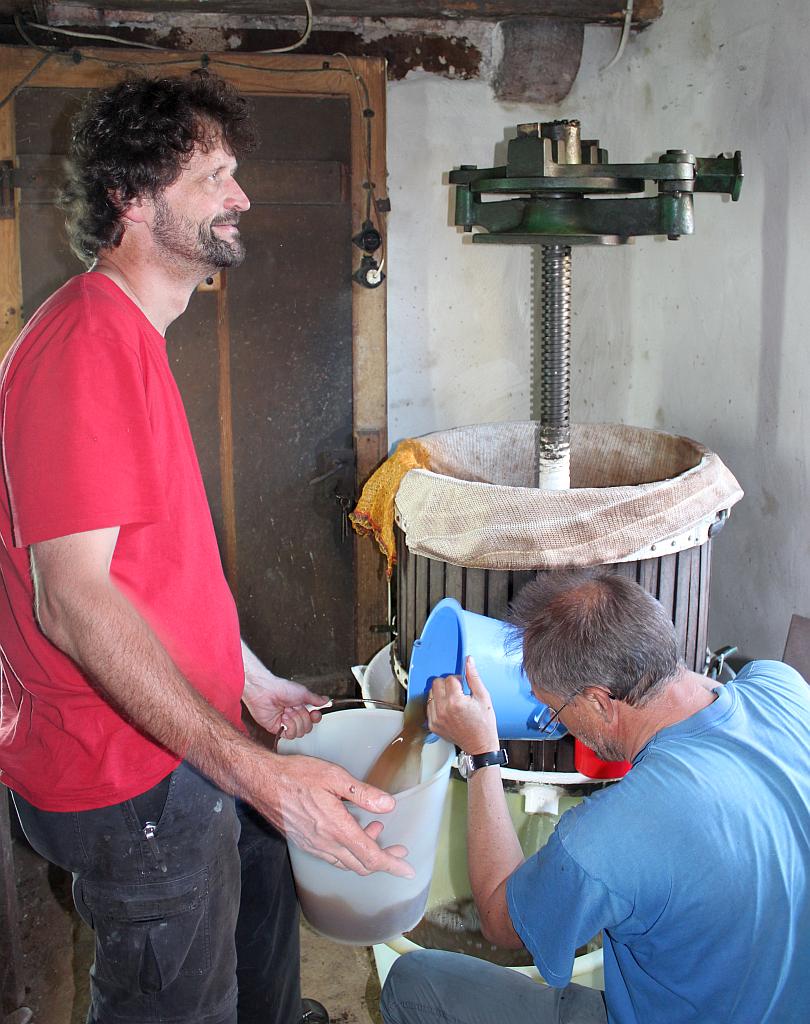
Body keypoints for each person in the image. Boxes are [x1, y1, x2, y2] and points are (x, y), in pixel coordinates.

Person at [0, 72, 413, 1024]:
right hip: (125, 769)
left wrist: (250, 679)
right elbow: (73, 601)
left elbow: (152, 575)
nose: (243, 197)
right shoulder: (85, 347)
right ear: (131, 199)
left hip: (179, 736)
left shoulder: (130, 336)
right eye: (213, 177)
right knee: (177, 1001)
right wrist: (253, 770)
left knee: (256, 908)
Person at [381, 567, 810, 1024]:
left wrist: (482, 754)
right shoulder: (780, 687)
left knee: (412, 984)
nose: (558, 724)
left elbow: (498, 918)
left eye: (554, 711)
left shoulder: (612, 833)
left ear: (600, 701)